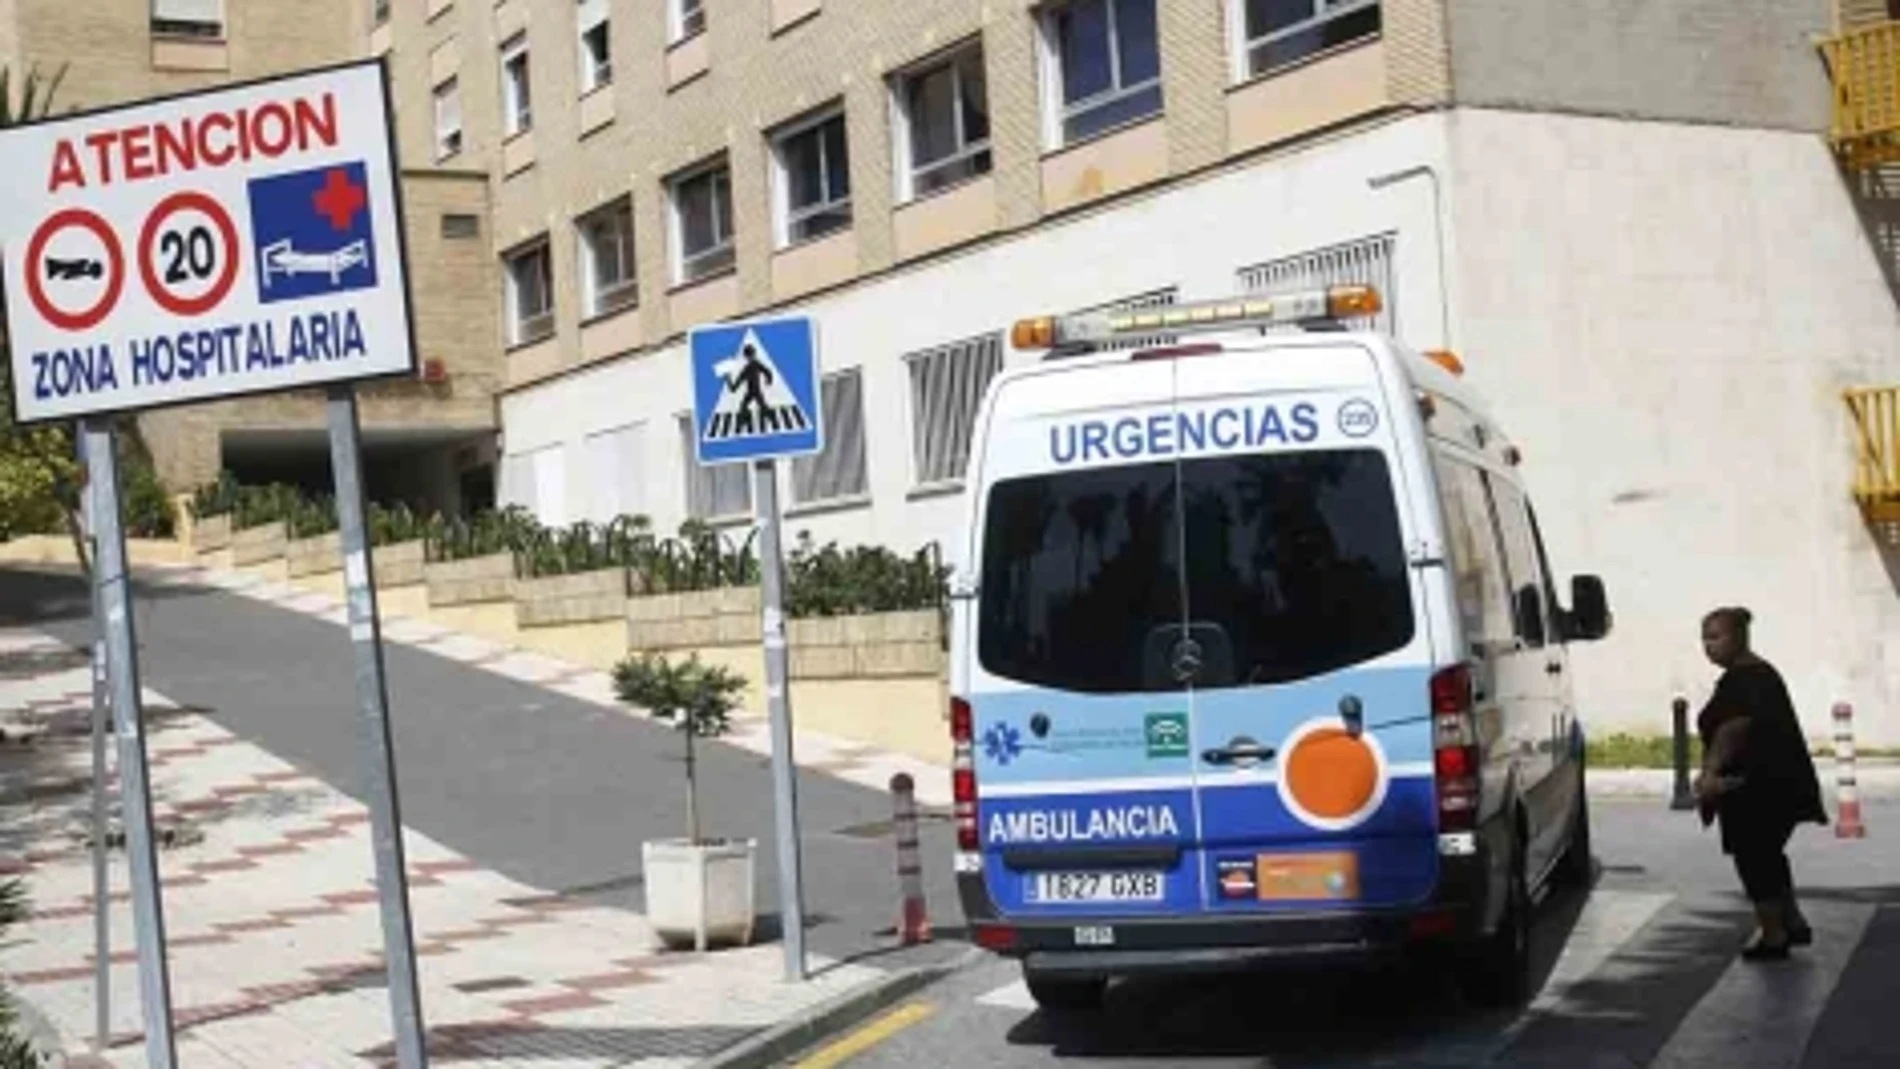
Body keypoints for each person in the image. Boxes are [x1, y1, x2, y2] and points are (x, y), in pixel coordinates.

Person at [1694, 606, 1829, 961]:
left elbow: (1733, 729)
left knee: (1753, 857)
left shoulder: (1745, 679)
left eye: (1715, 636)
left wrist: (1710, 773)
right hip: (1777, 782)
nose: (1708, 646)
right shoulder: (1759, 673)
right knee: (1768, 853)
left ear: (1739, 636)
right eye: (1704, 638)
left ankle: (1773, 933)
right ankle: (1792, 921)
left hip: (1753, 786)